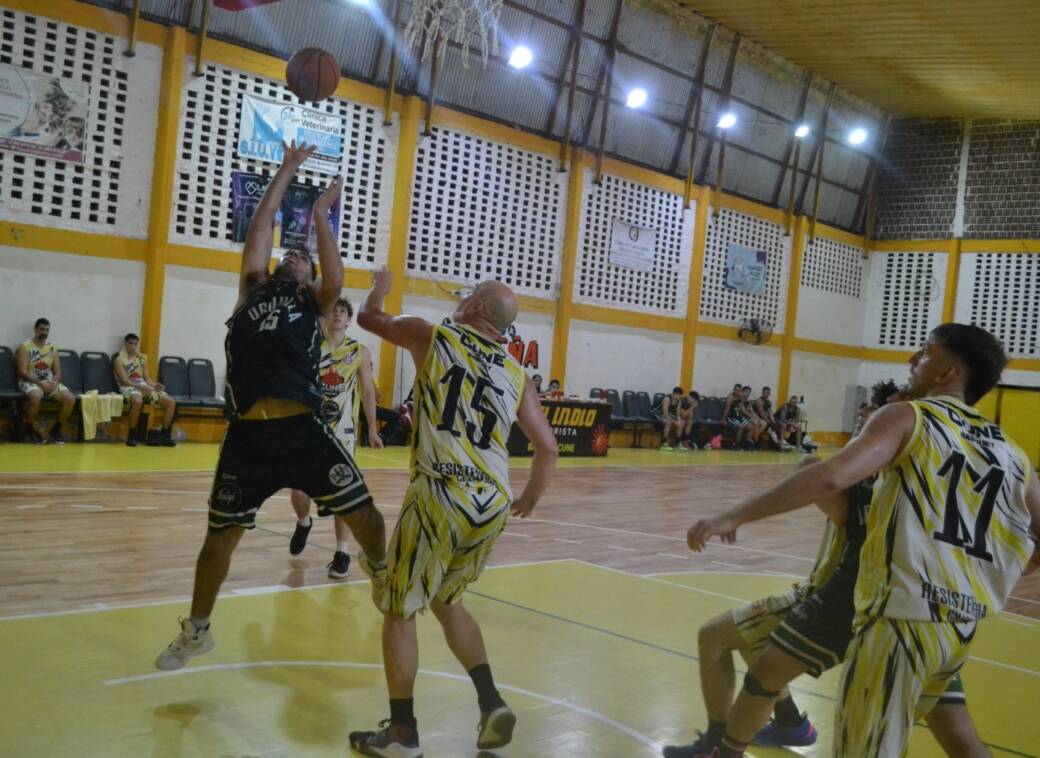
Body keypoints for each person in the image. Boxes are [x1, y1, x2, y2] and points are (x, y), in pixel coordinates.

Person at [684, 323, 1040, 758]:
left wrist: (732, 515)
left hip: (899, 618)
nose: (912, 359)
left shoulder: (910, 416)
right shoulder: (1011, 451)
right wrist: (998, 573)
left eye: (924, 352)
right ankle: (736, 744)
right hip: (959, 627)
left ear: (947, 372)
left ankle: (735, 743)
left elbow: (830, 476)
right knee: (953, 726)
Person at [153, 142, 387, 671]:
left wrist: (322, 214)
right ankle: (197, 630)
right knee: (218, 539)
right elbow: (261, 229)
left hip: (302, 429)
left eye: (302, 258)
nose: (293, 256)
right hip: (247, 437)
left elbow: (336, 278)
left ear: (310, 278)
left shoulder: (315, 302)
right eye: (290, 254)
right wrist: (286, 170)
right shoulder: (252, 290)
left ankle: (381, 573)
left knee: (366, 515)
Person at [348, 269, 558, 757]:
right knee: (446, 598)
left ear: (476, 308)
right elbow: (547, 448)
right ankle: (491, 702)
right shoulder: (516, 373)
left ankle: (402, 733)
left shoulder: (432, 335)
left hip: (442, 492)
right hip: (493, 503)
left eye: (469, 295)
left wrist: (380, 286)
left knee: (399, 607)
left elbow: (368, 317)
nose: (461, 300)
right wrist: (530, 498)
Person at [288, 296, 383, 578]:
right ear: (326, 317)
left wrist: (373, 429)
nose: (338, 314)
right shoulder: (310, 346)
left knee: (343, 495)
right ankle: (304, 522)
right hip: (309, 428)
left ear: (349, 319)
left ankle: (342, 553)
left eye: (343, 311)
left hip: (343, 433)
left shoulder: (359, 351)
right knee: (298, 490)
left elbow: (368, 392)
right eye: (333, 310)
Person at [15, 317, 75, 444]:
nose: (44, 332)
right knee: (36, 396)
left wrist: (54, 382)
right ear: (35, 329)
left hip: (48, 382)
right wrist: (40, 383)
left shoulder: (52, 348)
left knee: (70, 399)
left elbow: (58, 372)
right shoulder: (25, 347)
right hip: (30, 382)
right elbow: (23, 372)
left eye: (47, 330)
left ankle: (56, 430)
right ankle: (29, 429)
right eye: (42, 329)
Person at [113, 333, 177, 447]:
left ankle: (164, 435)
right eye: (130, 343)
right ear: (125, 344)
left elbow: (147, 379)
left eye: (135, 344)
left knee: (170, 402)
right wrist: (141, 387)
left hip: (143, 385)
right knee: (137, 401)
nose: (133, 346)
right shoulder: (119, 360)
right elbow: (123, 380)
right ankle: (132, 436)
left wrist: (155, 385)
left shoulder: (141, 359)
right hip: (128, 386)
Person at [722, 383, 750, 451]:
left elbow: (742, 409)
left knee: (751, 427)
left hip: (739, 417)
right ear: (733, 390)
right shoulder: (730, 397)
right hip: (731, 417)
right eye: (736, 390)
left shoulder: (740, 398)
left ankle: (747, 444)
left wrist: (752, 416)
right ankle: (737, 445)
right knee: (741, 426)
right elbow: (727, 409)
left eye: (739, 390)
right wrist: (723, 419)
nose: (738, 391)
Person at [658, 386, 685, 451]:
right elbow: (665, 414)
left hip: (669, 414)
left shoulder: (679, 401)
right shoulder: (667, 399)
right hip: (659, 413)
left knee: (681, 423)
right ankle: (664, 444)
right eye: (677, 395)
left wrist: (679, 420)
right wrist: (675, 422)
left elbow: (677, 413)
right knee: (668, 422)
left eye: (680, 395)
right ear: (673, 393)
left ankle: (678, 444)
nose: (678, 396)